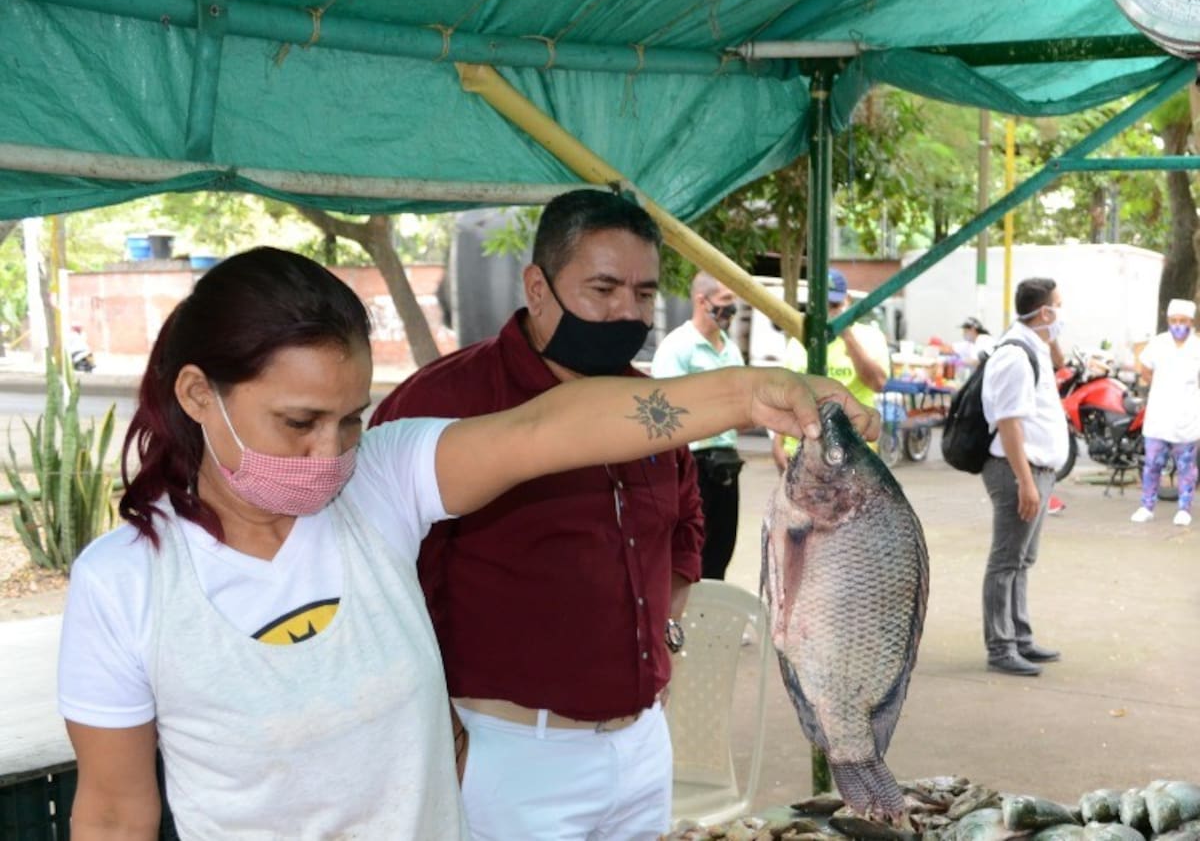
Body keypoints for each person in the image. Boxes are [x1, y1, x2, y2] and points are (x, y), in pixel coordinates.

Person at [58, 245, 879, 840]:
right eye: (298, 423)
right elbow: (115, 812)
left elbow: (547, 428)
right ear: (200, 394)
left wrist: (748, 392)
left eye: (349, 420)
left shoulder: (379, 483)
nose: (329, 455)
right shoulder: (126, 583)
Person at [370, 192, 697, 839]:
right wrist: (443, 733)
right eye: (603, 288)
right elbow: (383, 581)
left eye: (643, 293)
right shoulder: (446, 403)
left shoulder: (654, 407)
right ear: (537, 287)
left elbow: (686, 527)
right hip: (506, 754)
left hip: (641, 749)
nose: (627, 312)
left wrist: (665, 638)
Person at [979, 277, 1069, 677]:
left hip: (1037, 470)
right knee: (1006, 560)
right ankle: (1001, 647)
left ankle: (1020, 637)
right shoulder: (1015, 355)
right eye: (1059, 307)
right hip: (1018, 471)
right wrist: (1026, 482)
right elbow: (1009, 422)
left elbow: (1062, 362)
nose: (1063, 314)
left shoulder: (1035, 347)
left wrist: (1051, 338)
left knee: (1022, 559)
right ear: (1045, 312)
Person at [650, 270, 745, 580]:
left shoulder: (730, 349)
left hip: (727, 465)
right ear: (701, 301)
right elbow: (664, 413)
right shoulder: (678, 348)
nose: (731, 308)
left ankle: (711, 623)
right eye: (725, 300)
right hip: (692, 464)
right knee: (689, 556)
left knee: (720, 553)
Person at [772, 267, 891, 471]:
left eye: (834, 305)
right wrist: (777, 444)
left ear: (848, 301)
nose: (828, 312)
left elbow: (877, 383)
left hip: (852, 453)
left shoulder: (870, 337)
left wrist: (846, 335)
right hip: (802, 453)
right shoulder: (799, 342)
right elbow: (786, 396)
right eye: (822, 306)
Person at [1130, 298, 1200, 527]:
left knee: (1186, 467)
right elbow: (1145, 370)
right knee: (1152, 463)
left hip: (1187, 417)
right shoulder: (1158, 343)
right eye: (1174, 321)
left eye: (1183, 321)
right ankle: (1146, 506)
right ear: (1168, 321)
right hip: (1159, 415)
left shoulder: (1197, 347)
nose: (1178, 325)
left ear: (1191, 322)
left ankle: (1184, 508)